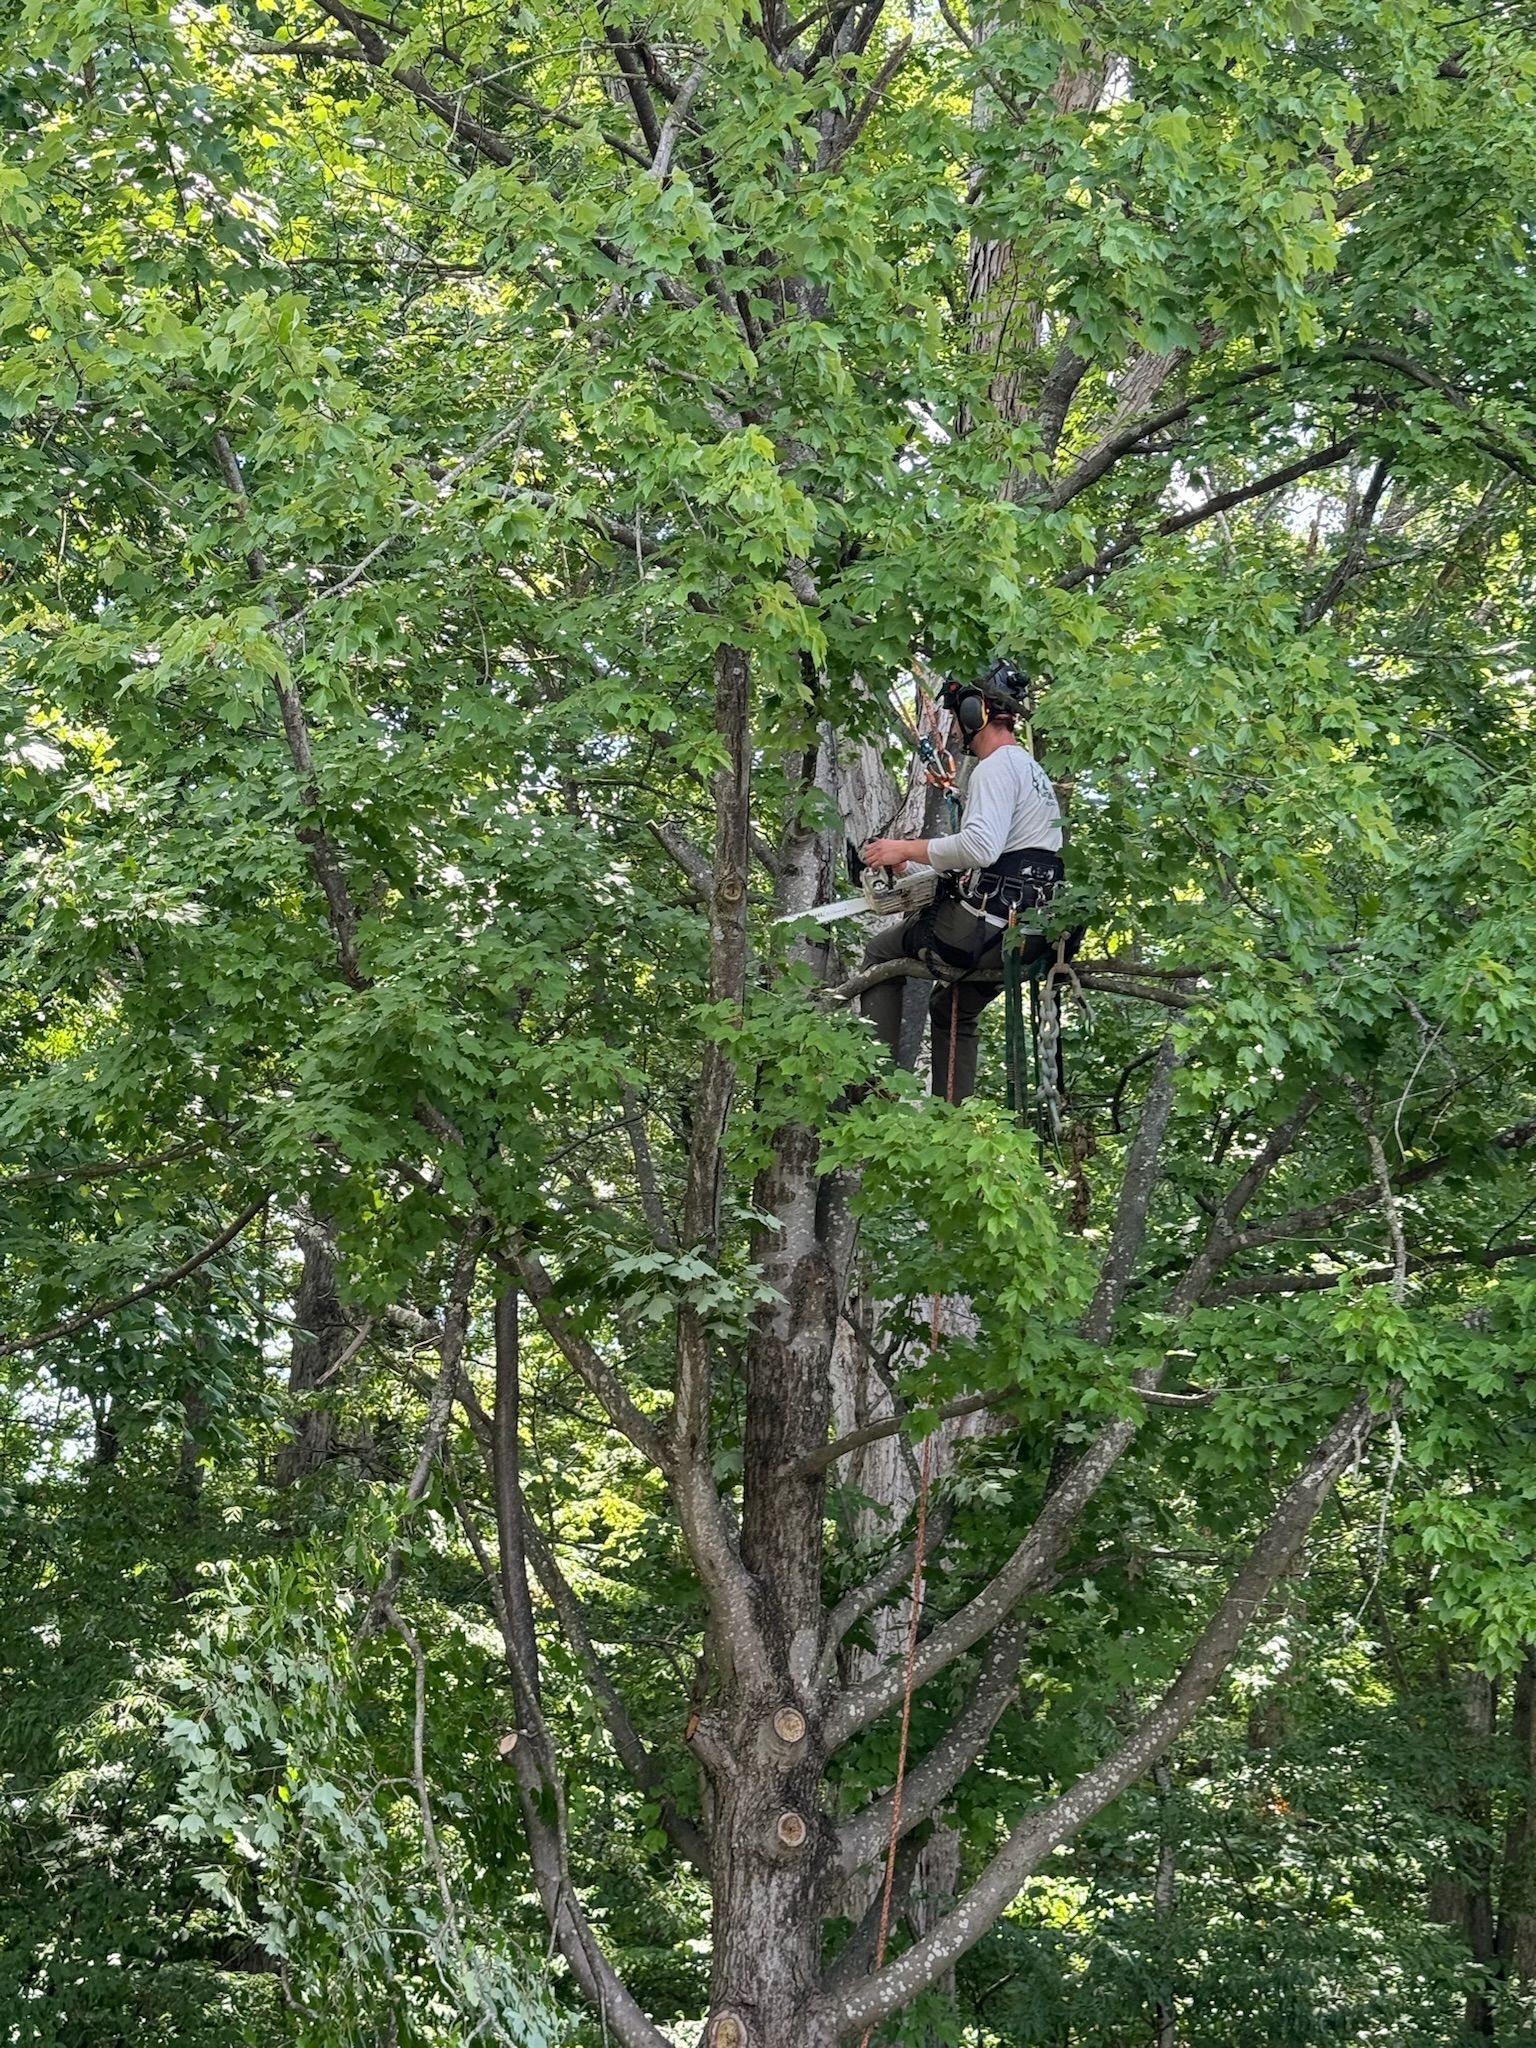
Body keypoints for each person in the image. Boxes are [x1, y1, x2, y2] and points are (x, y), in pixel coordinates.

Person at [859, 676, 1064, 1102]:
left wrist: (904, 847)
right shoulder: (1032, 771)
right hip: (1028, 932)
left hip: (985, 929)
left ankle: (871, 1092)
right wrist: (915, 861)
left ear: (977, 714)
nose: (954, 732)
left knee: (882, 950)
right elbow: (1001, 856)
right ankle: (952, 1122)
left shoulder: (994, 768)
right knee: (951, 1008)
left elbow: (979, 847)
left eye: (956, 721)